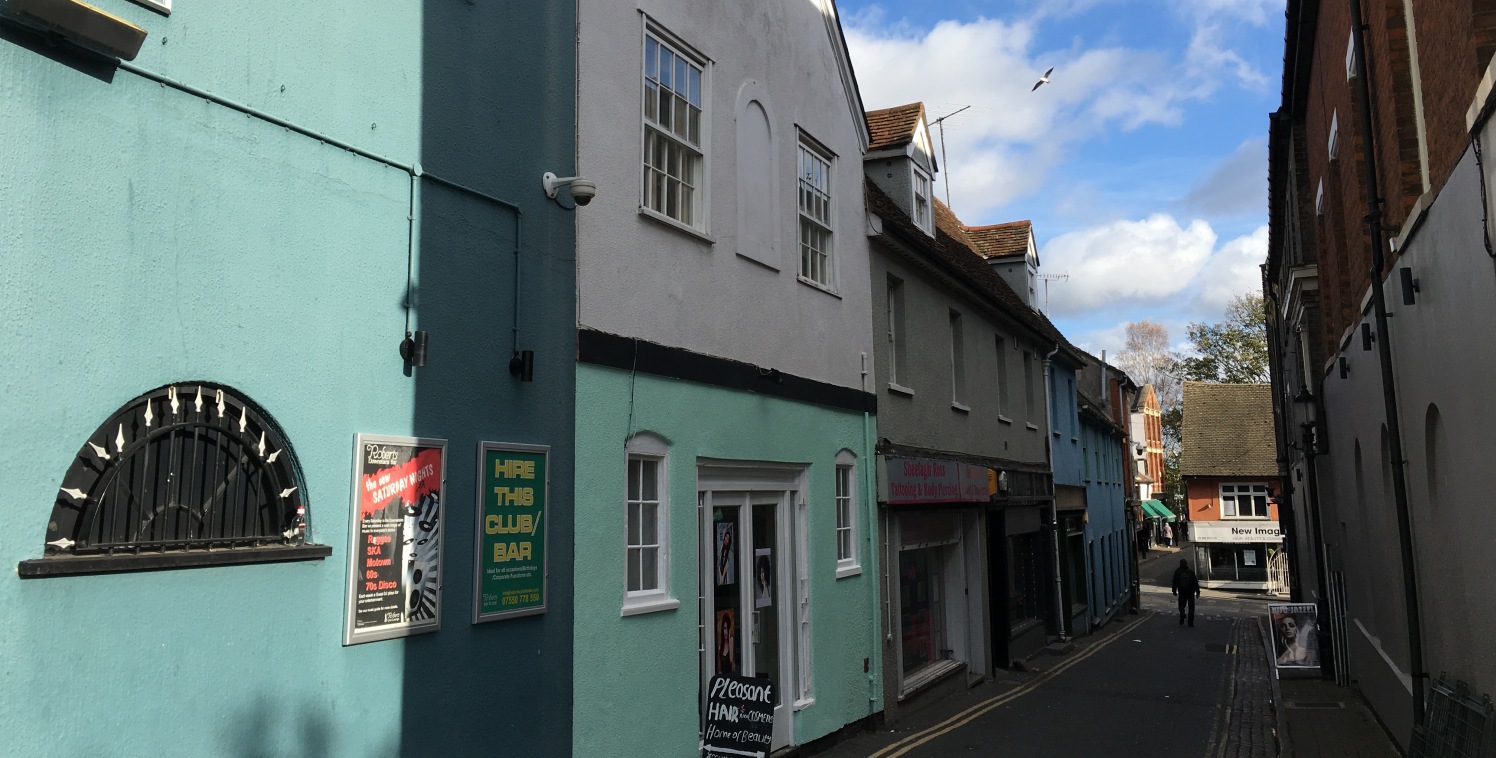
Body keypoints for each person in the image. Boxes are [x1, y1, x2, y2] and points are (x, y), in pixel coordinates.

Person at [1171, 558, 1201, 627]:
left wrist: (1174, 591)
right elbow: (1195, 582)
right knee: (1191, 607)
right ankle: (1190, 623)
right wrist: (1198, 592)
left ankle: (1182, 614)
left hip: (1182, 591)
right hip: (1190, 591)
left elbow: (1174, 582)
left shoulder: (1177, 572)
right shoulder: (1190, 572)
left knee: (1181, 605)